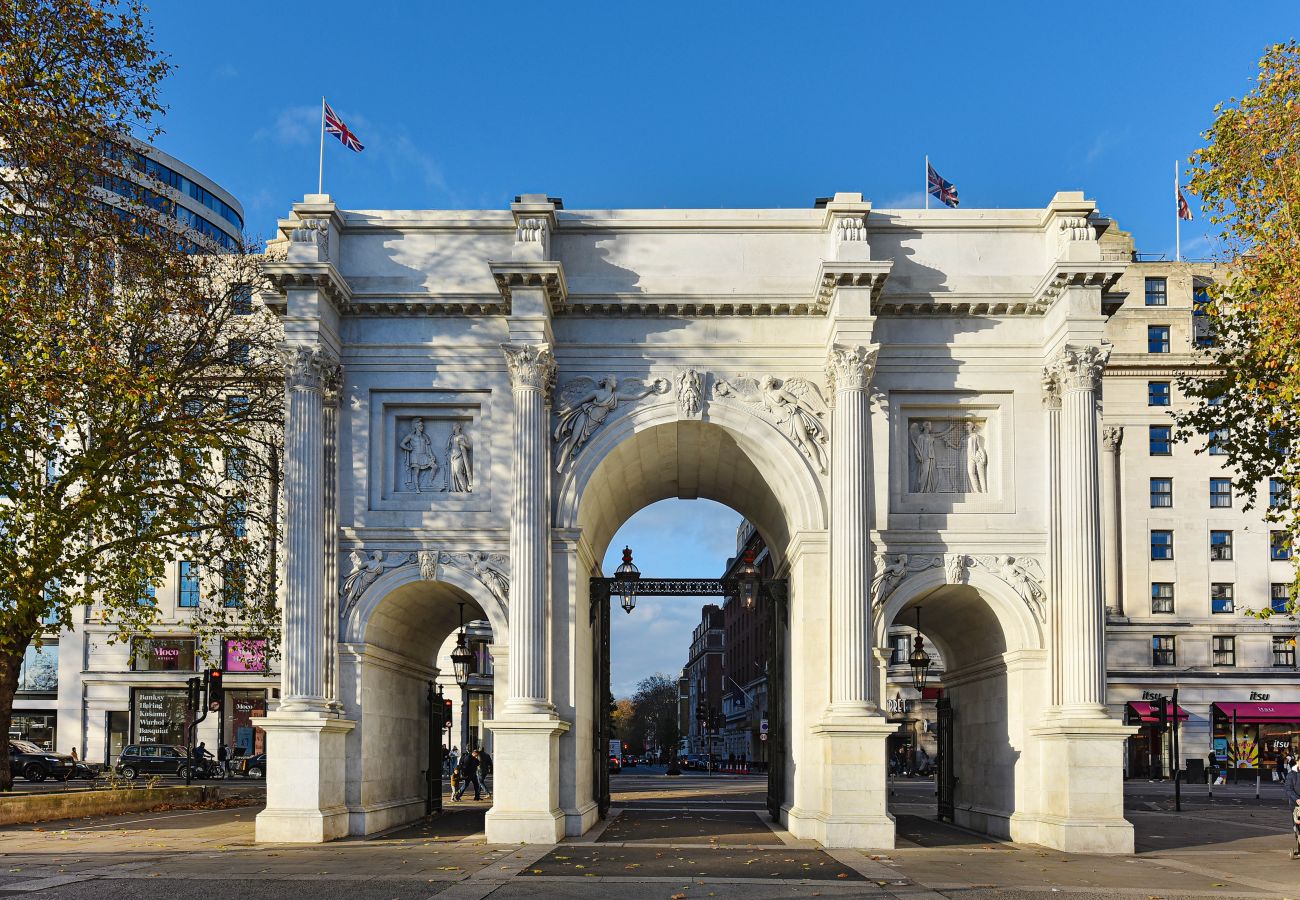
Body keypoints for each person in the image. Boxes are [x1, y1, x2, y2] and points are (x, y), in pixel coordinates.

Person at [1282, 758, 1300, 860]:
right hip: (1296, 805)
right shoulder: (1291, 775)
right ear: (1297, 762)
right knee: (1297, 825)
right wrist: (1297, 799)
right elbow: (1288, 789)